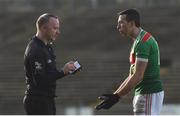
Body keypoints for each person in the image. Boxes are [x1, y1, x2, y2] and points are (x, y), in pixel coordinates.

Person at [95, 9, 164, 115]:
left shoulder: (142, 42)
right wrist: (115, 95)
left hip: (148, 92)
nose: (118, 27)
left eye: (121, 23)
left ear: (132, 23)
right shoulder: (138, 41)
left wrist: (117, 96)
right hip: (145, 93)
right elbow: (132, 74)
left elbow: (138, 75)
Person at [23, 13, 79, 115]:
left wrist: (66, 70)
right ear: (43, 28)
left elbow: (49, 73)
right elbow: (40, 80)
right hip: (37, 102)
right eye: (55, 28)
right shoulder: (36, 49)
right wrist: (63, 71)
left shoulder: (46, 46)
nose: (58, 32)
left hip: (46, 99)